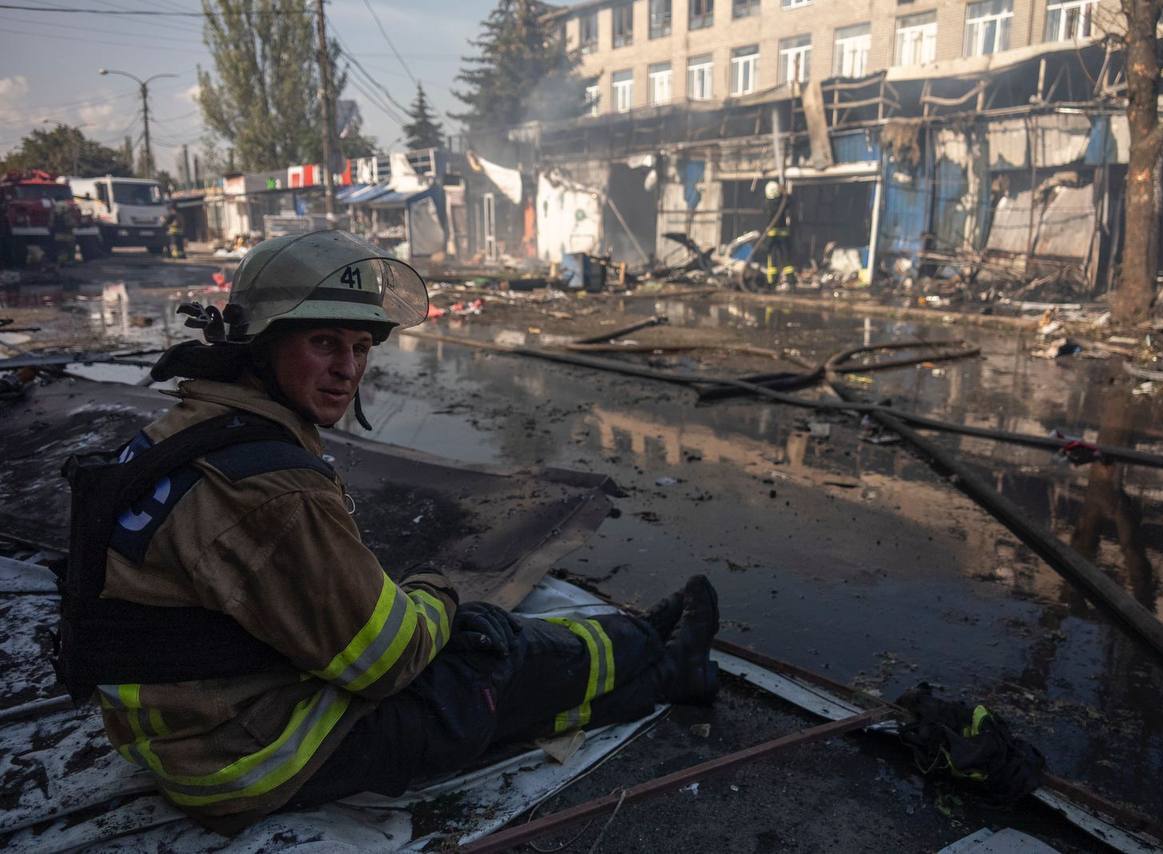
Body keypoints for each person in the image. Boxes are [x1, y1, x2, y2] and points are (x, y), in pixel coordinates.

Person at [56, 230, 720, 836]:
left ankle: (650, 649)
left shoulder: (185, 431)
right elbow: (386, 662)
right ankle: (657, 663)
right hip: (245, 757)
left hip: (189, 729)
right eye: (324, 344)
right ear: (258, 345)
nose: (348, 368)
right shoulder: (269, 488)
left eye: (360, 347)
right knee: (488, 654)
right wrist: (437, 590)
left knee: (462, 635)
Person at [761, 180, 796, 291]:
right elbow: (790, 201)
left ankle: (772, 282)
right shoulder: (782, 201)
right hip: (783, 234)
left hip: (771, 235)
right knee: (786, 259)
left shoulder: (766, 203)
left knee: (772, 259)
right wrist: (784, 192)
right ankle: (791, 282)